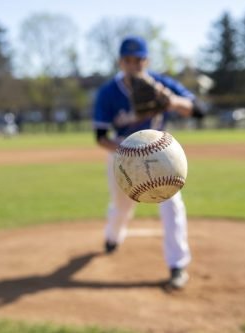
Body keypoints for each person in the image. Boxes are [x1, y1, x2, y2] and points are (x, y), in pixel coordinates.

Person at [92, 36, 196, 290]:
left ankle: (177, 265)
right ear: (120, 62)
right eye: (128, 60)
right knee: (122, 208)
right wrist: (130, 151)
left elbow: (197, 108)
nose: (133, 64)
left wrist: (171, 101)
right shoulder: (107, 93)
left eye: (138, 59)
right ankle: (112, 237)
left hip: (162, 158)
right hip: (122, 157)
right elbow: (100, 138)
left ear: (146, 60)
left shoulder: (160, 84)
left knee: (172, 203)